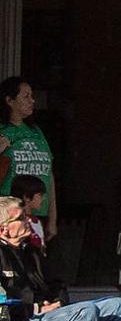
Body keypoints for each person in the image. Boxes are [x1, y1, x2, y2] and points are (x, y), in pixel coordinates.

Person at [0, 77, 56, 242]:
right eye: (26, 96)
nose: (32, 101)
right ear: (9, 100)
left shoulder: (36, 132)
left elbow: (48, 173)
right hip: (9, 216)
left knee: (34, 264)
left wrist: (52, 218)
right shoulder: (2, 130)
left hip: (38, 213)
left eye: (32, 96)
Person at [10, 175, 48, 248]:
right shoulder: (13, 223)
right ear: (27, 197)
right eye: (40, 195)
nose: (43, 199)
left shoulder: (36, 221)